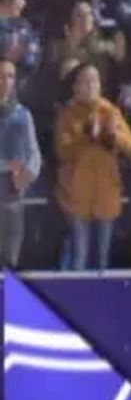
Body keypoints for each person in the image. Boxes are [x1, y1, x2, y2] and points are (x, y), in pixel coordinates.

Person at [55, 62, 131, 270]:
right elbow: (62, 150)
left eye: (94, 80)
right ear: (75, 87)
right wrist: (86, 135)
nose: (91, 85)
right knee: (79, 257)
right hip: (76, 195)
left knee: (102, 259)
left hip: (106, 195)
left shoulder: (110, 112)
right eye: (85, 81)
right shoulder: (67, 115)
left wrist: (112, 135)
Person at [0, 59, 41, 268]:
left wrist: (28, 174)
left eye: (10, 76)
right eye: (1, 76)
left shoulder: (23, 115)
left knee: (10, 260)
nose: (5, 81)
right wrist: (7, 166)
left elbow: (34, 154)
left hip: (12, 198)